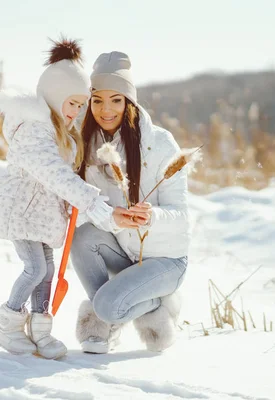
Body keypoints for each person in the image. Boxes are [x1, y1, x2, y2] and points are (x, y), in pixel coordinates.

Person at [0, 38, 113, 359]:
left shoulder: (61, 131)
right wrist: (88, 199)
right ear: (56, 97)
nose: (78, 110)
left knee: (48, 270)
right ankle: (7, 323)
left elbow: (66, 173)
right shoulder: (33, 128)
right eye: (73, 103)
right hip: (20, 211)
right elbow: (51, 171)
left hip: (41, 216)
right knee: (34, 269)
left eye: (81, 104)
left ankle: (41, 331)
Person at [71, 51, 191, 353]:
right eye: (97, 100)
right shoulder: (92, 146)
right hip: (125, 251)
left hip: (165, 261)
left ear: (129, 102)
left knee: (109, 306)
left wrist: (152, 216)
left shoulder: (160, 144)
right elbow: (89, 206)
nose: (106, 109)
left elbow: (181, 215)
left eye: (116, 99)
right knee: (82, 237)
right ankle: (114, 304)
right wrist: (114, 218)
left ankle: (147, 307)